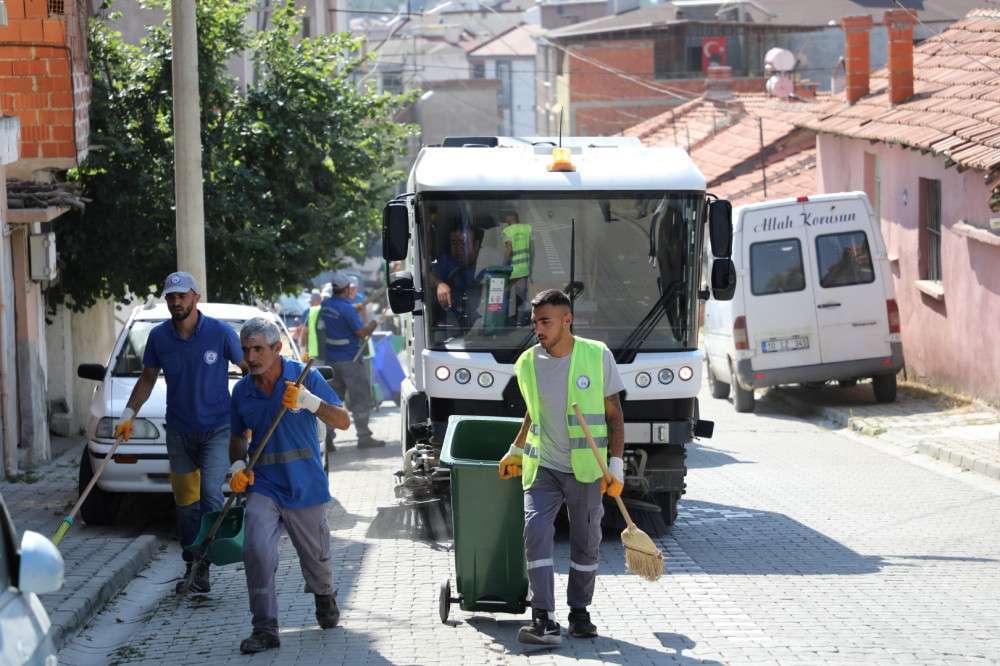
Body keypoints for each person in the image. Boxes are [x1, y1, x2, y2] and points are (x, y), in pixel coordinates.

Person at [498, 288, 626, 645]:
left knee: (587, 544)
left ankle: (579, 612)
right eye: (535, 321)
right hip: (543, 468)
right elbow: (533, 410)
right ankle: (543, 618)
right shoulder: (526, 363)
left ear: (567, 320)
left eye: (545, 321)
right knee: (536, 532)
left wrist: (615, 466)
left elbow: (615, 415)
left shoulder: (596, 356)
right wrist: (516, 449)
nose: (538, 328)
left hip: (586, 470)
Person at [114, 271, 247, 594]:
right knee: (186, 503)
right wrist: (129, 414)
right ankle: (192, 562)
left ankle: (205, 566)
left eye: (181, 296)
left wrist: (252, 413)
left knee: (211, 497)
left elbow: (249, 371)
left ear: (195, 297)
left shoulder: (219, 333)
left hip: (217, 429)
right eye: (171, 297)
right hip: (179, 433)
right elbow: (147, 378)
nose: (176, 302)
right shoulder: (159, 337)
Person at [228, 317, 351, 654]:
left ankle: (324, 596)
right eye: (246, 349)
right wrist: (237, 466)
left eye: (258, 349)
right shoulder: (242, 391)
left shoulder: (303, 377)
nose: (251, 357)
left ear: (277, 348)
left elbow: (343, 420)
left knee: (316, 560)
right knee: (257, 552)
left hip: (304, 485)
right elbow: (237, 436)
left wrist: (308, 401)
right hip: (264, 485)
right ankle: (265, 628)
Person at [318, 273, 385, 448]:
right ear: (347, 289)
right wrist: (374, 324)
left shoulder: (326, 305)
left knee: (332, 401)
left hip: (332, 361)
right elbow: (361, 332)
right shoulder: (347, 309)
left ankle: (328, 439)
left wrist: (354, 309)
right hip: (351, 360)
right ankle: (364, 437)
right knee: (360, 399)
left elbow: (339, 316)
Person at [427, 225, 502, 327]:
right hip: (449, 326)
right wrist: (439, 284)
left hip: (483, 324)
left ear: (476, 245)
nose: (458, 248)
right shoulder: (447, 262)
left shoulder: (489, 263)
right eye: (454, 243)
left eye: (463, 243)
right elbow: (427, 276)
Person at [501, 210, 533, 325]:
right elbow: (532, 248)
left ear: (509, 219)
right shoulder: (527, 228)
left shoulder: (507, 231)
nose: (504, 221)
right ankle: (521, 319)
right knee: (521, 295)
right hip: (524, 267)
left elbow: (509, 249)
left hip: (512, 268)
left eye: (505, 218)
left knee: (504, 292)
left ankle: (505, 319)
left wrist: (503, 265)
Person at [297, 289, 323, 361]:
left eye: (311, 301)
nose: (310, 303)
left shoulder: (311, 312)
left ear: (318, 300)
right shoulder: (328, 311)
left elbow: (304, 331)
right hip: (328, 353)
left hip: (313, 353)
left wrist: (303, 352)